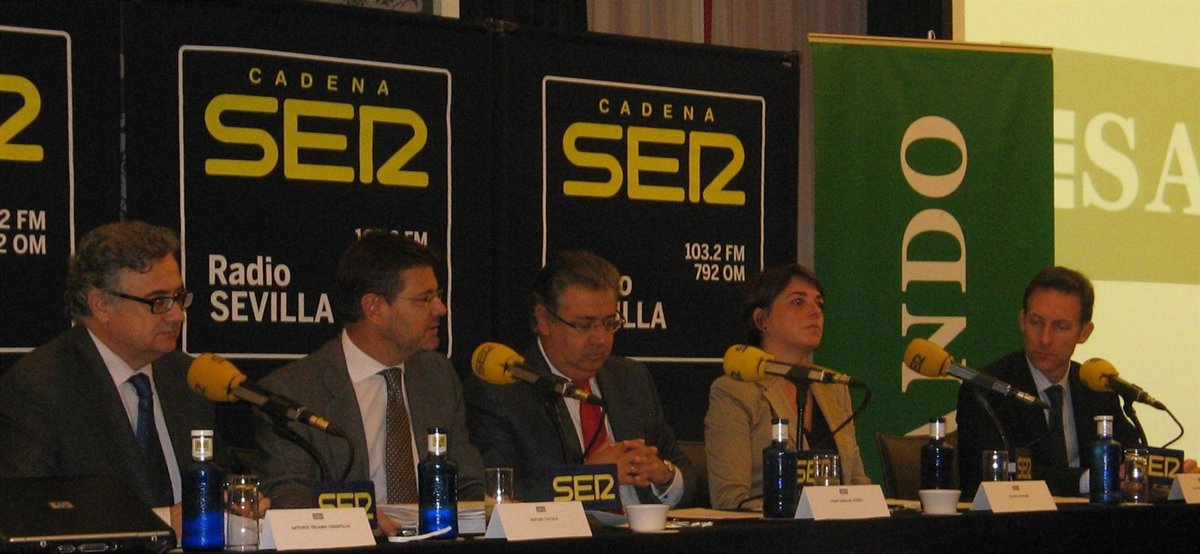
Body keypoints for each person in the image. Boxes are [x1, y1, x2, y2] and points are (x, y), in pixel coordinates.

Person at [255, 232, 483, 535]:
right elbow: (285, 495)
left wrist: (490, 509)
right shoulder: (292, 392)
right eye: (424, 299)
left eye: (437, 295)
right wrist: (355, 517)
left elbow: (468, 482)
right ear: (374, 307)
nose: (440, 308)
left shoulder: (439, 377)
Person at [0, 221, 217, 530]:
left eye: (179, 297)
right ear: (101, 305)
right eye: (159, 301)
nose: (176, 315)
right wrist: (163, 521)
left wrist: (230, 503)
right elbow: (28, 516)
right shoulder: (41, 388)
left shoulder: (187, 377)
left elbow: (211, 480)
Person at [465, 250, 695, 506]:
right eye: (584, 325)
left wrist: (664, 475)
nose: (601, 339)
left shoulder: (631, 379)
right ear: (544, 319)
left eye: (609, 323)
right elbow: (496, 495)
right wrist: (586, 480)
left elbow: (685, 471)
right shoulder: (502, 391)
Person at [956, 266, 1197, 498]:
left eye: (1060, 326)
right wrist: (1090, 480)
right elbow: (993, 473)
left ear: (1084, 332)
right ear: (1022, 320)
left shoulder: (1097, 387)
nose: (1045, 338)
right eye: (1036, 322)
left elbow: (1128, 454)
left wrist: (1167, 476)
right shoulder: (987, 390)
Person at [704, 264, 870, 510]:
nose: (815, 311)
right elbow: (730, 500)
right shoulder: (736, 391)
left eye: (819, 304)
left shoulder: (833, 386)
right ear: (762, 319)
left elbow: (856, 482)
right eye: (798, 302)